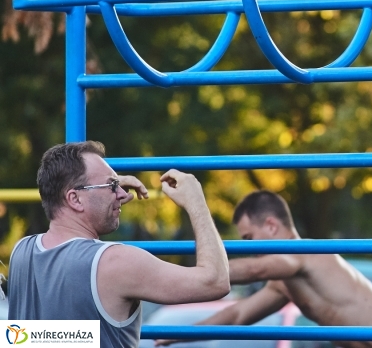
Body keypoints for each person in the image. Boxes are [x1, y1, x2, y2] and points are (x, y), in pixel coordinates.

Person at [7, 141, 230, 348]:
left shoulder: (21, 252)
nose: (122, 194)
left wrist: (102, 189)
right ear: (74, 199)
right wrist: (196, 202)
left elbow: (36, 336)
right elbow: (215, 281)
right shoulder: (115, 262)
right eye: (113, 185)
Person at [156, 189, 372, 348]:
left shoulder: (304, 253)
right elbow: (237, 315)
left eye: (249, 238)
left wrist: (199, 272)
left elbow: (255, 270)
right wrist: (181, 334)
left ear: (272, 226)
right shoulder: (284, 283)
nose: (249, 249)